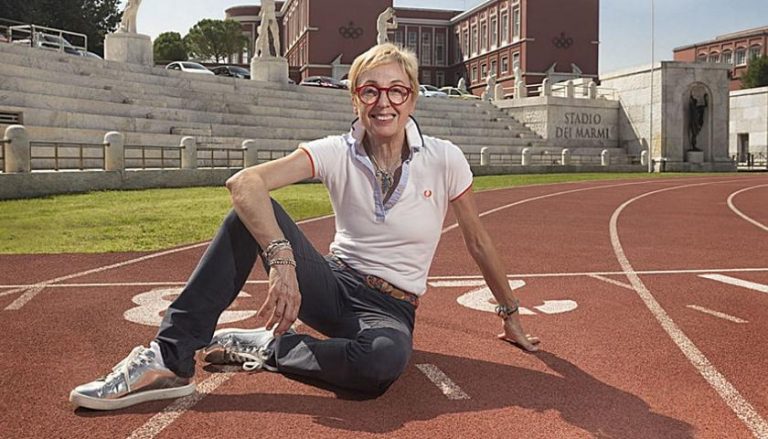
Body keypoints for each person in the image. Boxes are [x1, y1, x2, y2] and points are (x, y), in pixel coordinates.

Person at [69, 43, 539, 411]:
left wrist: (510, 314)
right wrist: (282, 259)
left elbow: (477, 240)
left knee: (383, 363)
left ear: (412, 96)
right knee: (245, 216)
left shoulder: (445, 158)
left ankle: (272, 348)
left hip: (390, 309)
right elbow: (245, 183)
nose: (383, 102)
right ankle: (169, 360)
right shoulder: (337, 150)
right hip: (332, 283)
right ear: (355, 97)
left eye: (396, 90)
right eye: (369, 90)